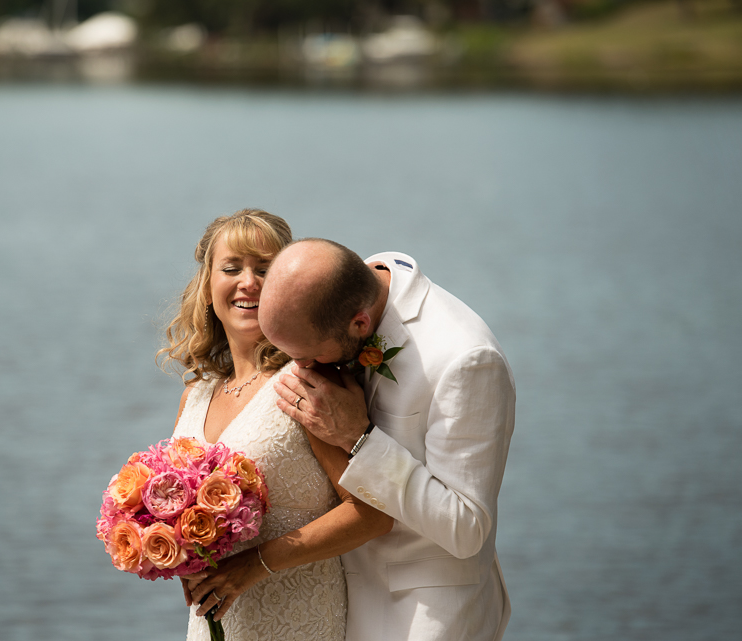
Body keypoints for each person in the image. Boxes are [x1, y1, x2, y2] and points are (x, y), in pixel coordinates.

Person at [258, 239, 516, 641]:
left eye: (308, 356)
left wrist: (358, 439)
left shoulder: (466, 358)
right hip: (336, 601)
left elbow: (466, 527)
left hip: (427, 614)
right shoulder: (344, 290)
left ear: (360, 324)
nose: (300, 367)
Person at [159, 211, 393, 641]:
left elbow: (372, 514)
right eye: (232, 268)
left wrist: (256, 564)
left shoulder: (306, 384)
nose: (248, 282)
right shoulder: (195, 397)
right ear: (208, 288)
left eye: (264, 269)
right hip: (213, 621)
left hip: (297, 619)